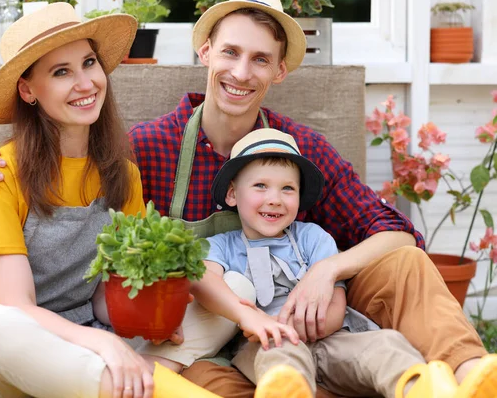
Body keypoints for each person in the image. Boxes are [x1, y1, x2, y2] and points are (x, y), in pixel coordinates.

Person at [0, 0, 497, 396]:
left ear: (279, 71)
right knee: (211, 324)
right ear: (205, 52)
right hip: (198, 345)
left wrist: (323, 274)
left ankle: (470, 372)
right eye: (230, 52)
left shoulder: (299, 148)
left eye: (260, 59)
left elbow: (398, 231)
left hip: (297, 319)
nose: (241, 71)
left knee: (396, 260)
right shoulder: (146, 149)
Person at [0, 4, 231, 398]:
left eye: (89, 63)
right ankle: (153, 386)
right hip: (1, 359)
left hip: (81, 338)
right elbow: (16, 306)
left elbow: (108, 295)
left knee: (228, 287)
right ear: (28, 90)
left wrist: (149, 317)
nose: (86, 82)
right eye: (61, 72)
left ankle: (119, 378)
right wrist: (105, 344)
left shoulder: (122, 175)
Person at [192, 127, 493, 398]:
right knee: (281, 361)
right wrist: (250, 318)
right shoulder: (223, 245)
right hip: (267, 343)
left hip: (330, 340)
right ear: (232, 194)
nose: (275, 199)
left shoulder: (312, 238)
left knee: (386, 345)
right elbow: (204, 278)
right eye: (260, 186)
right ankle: (289, 391)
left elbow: (336, 299)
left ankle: (425, 388)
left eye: (288, 189)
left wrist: (317, 322)